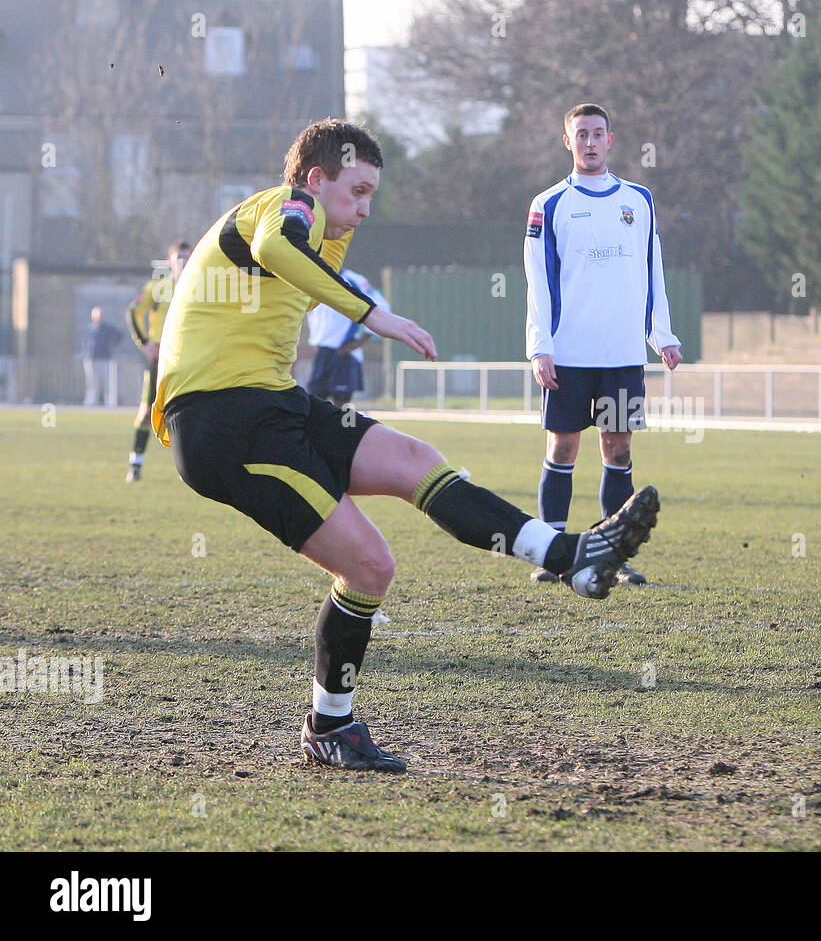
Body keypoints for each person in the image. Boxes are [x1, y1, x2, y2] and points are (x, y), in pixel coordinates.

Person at [152, 118, 660, 773]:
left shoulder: (323, 238)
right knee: (369, 566)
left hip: (273, 404)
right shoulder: (286, 208)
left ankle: (570, 557)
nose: (365, 209)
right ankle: (330, 727)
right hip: (223, 425)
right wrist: (375, 314)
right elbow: (279, 247)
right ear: (316, 179)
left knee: (415, 462)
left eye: (372, 196)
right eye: (357, 191)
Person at [523, 102, 682, 587]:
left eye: (598, 133)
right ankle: (553, 552)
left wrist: (663, 334)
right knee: (564, 446)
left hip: (621, 355)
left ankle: (612, 550)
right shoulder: (548, 204)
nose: (590, 142)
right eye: (581, 134)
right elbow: (538, 280)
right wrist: (540, 346)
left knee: (616, 447)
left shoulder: (639, 200)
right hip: (568, 354)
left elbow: (652, 269)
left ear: (611, 140)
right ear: (567, 142)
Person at [125, 240, 191, 481]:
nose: (183, 262)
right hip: (162, 357)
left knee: (190, 410)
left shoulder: (200, 288)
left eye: (187, 257)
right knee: (147, 410)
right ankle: (135, 463)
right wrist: (145, 342)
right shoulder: (159, 287)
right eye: (179, 258)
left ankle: (192, 467)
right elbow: (134, 311)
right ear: (170, 262)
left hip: (189, 357)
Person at [305, 268, 391, 407]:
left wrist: (360, 340)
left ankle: (346, 428)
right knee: (315, 401)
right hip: (321, 353)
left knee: (343, 405)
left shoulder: (352, 279)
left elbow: (382, 305)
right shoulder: (311, 275)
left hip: (344, 352)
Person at [82, 307, 123, 405]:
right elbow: (85, 342)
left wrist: (112, 346)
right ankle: (91, 400)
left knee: (107, 381)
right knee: (92, 381)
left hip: (105, 358)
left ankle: (110, 401)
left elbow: (120, 335)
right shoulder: (90, 328)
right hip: (92, 359)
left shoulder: (107, 328)